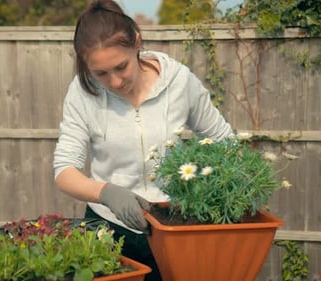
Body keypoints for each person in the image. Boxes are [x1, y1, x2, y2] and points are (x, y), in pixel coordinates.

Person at [53, 0, 234, 280]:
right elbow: (64, 171)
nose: (114, 82)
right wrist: (107, 193)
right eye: (100, 73)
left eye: (121, 66)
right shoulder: (82, 93)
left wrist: (230, 189)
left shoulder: (179, 82)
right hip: (107, 229)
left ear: (137, 41)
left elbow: (223, 140)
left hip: (172, 227)